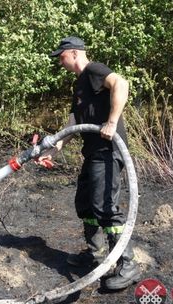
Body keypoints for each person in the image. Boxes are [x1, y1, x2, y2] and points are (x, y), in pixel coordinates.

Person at [38, 36, 141, 290]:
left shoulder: (94, 71)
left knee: (104, 205)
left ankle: (127, 263)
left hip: (108, 150)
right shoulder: (79, 85)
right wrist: (57, 145)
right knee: (85, 203)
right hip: (92, 153)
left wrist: (112, 122)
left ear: (74, 53)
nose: (59, 62)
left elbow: (121, 83)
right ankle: (94, 254)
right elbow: (75, 120)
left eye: (61, 56)